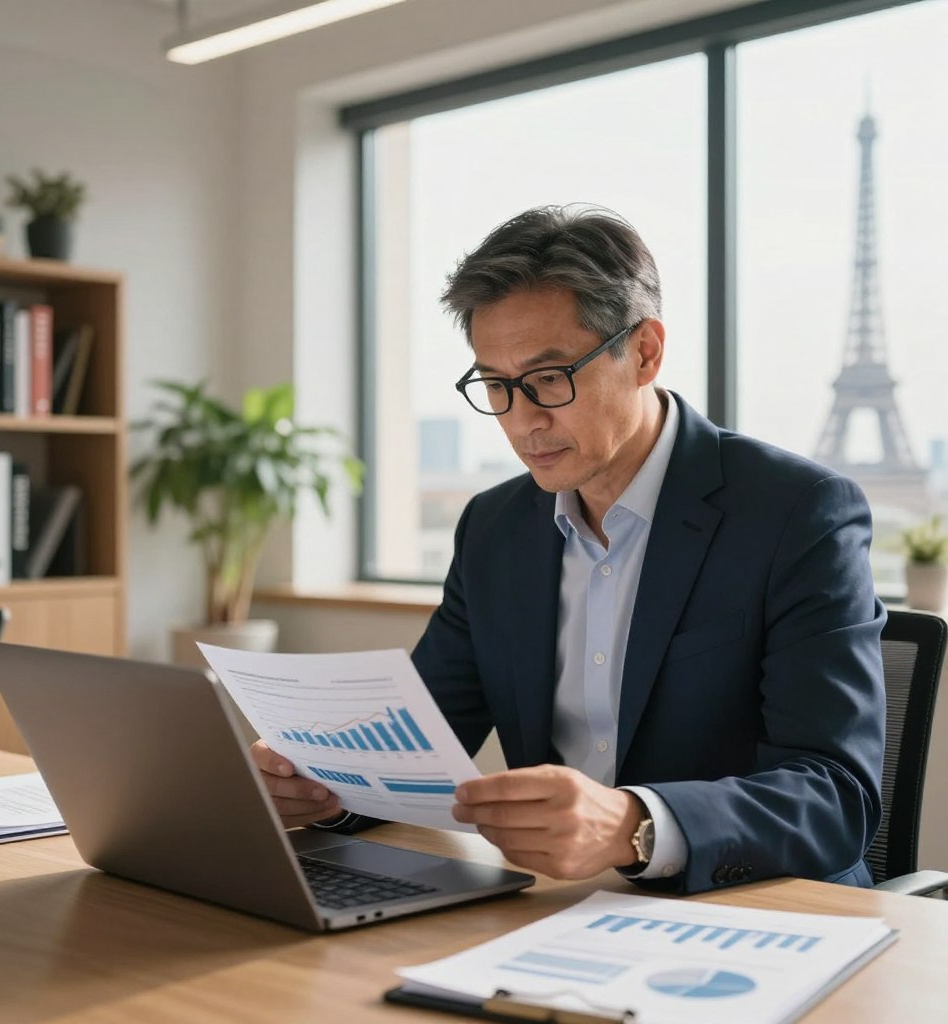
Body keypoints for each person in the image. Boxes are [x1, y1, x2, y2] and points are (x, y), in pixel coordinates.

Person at [253, 204, 886, 894]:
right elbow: (417, 743)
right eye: (495, 385)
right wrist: (324, 783)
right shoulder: (495, 528)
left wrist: (633, 825)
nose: (523, 421)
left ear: (643, 352)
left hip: (756, 911)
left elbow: (834, 795)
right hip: (552, 906)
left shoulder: (796, 512)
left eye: (549, 378)